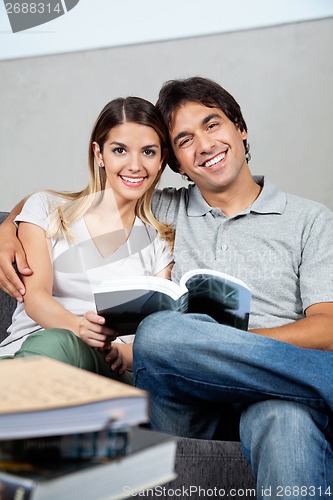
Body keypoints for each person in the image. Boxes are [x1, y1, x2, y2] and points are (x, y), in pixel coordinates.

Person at [1, 77, 333, 498]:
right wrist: (6, 230)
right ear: (174, 163)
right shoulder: (165, 209)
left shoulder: (310, 220)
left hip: (277, 391)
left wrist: (226, 348)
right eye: (185, 140)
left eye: (212, 126)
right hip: (183, 402)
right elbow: (72, 199)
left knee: (287, 419)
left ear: (240, 129)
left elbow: (328, 328)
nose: (205, 145)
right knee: (162, 332)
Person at [0, 96, 174, 385]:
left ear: (161, 160)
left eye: (148, 152)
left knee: (57, 344)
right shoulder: (46, 208)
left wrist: (124, 351)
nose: (134, 165)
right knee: (54, 344)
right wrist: (79, 327)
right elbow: (35, 298)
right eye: (120, 150)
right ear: (99, 153)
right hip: (25, 352)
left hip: (106, 368)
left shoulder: (159, 241)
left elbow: (157, 330)